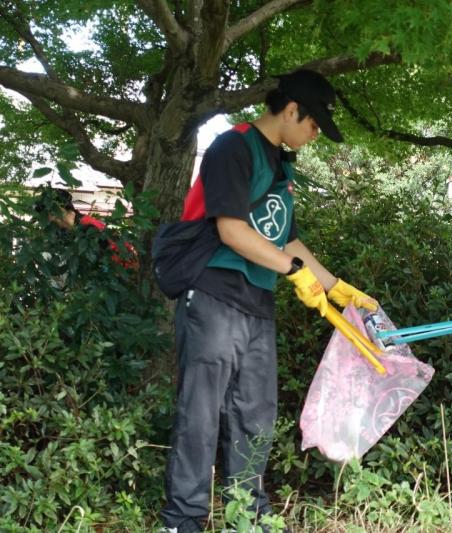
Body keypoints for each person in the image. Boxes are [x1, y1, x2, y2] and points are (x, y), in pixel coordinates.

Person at [160, 69, 378, 533]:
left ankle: (247, 517)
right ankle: (183, 521)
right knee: (200, 414)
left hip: (257, 302)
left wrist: (337, 287)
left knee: (256, 415)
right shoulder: (232, 147)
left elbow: (287, 240)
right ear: (291, 109)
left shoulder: (281, 163)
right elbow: (231, 230)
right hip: (214, 295)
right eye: (314, 125)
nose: (315, 135)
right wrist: (295, 274)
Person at [33, 185, 138, 269]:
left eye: (52, 211)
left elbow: (107, 255)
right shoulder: (61, 234)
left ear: (63, 207)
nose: (50, 217)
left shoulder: (88, 225)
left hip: (121, 271)